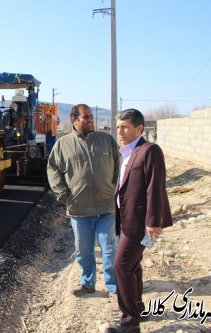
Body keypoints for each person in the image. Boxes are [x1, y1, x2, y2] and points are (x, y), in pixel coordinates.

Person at [106, 109, 173, 333]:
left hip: (140, 222)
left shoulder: (150, 151)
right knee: (132, 267)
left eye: (125, 127)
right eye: (118, 127)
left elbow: (156, 187)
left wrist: (154, 222)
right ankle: (138, 309)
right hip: (125, 221)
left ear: (139, 128)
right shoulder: (125, 152)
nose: (120, 132)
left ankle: (129, 323)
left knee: (121, 265)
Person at [47, 104, 120, 296]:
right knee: (83, 251)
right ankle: (88, 283)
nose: (90, 119)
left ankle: (114, 286)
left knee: (110, 249)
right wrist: (63, 194)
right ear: (74, 120)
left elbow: (118, 166)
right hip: (80, 210)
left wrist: (115, 188)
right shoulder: (63, 145)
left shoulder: (106, 140)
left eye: (91, 116)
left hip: (107, 207)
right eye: (85, 117)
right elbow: (53, 170)